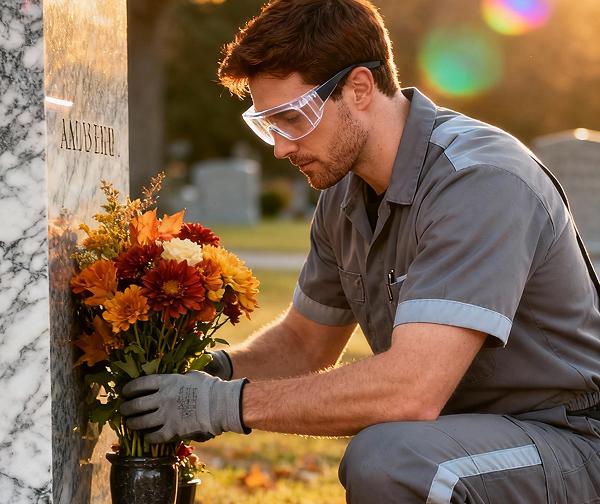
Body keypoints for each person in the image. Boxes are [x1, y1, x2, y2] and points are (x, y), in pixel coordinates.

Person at [120, 1, 600, 502]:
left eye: (291, 117)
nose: (280, 148)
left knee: (392, 461)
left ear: (360, 88)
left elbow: (411, 389)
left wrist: (221, 405)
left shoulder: (478, 180)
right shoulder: (343, 196)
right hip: (470, 435)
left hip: (571, 440)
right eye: (267, 124)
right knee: (399, 453)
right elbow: (304, 344)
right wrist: (208, 372)